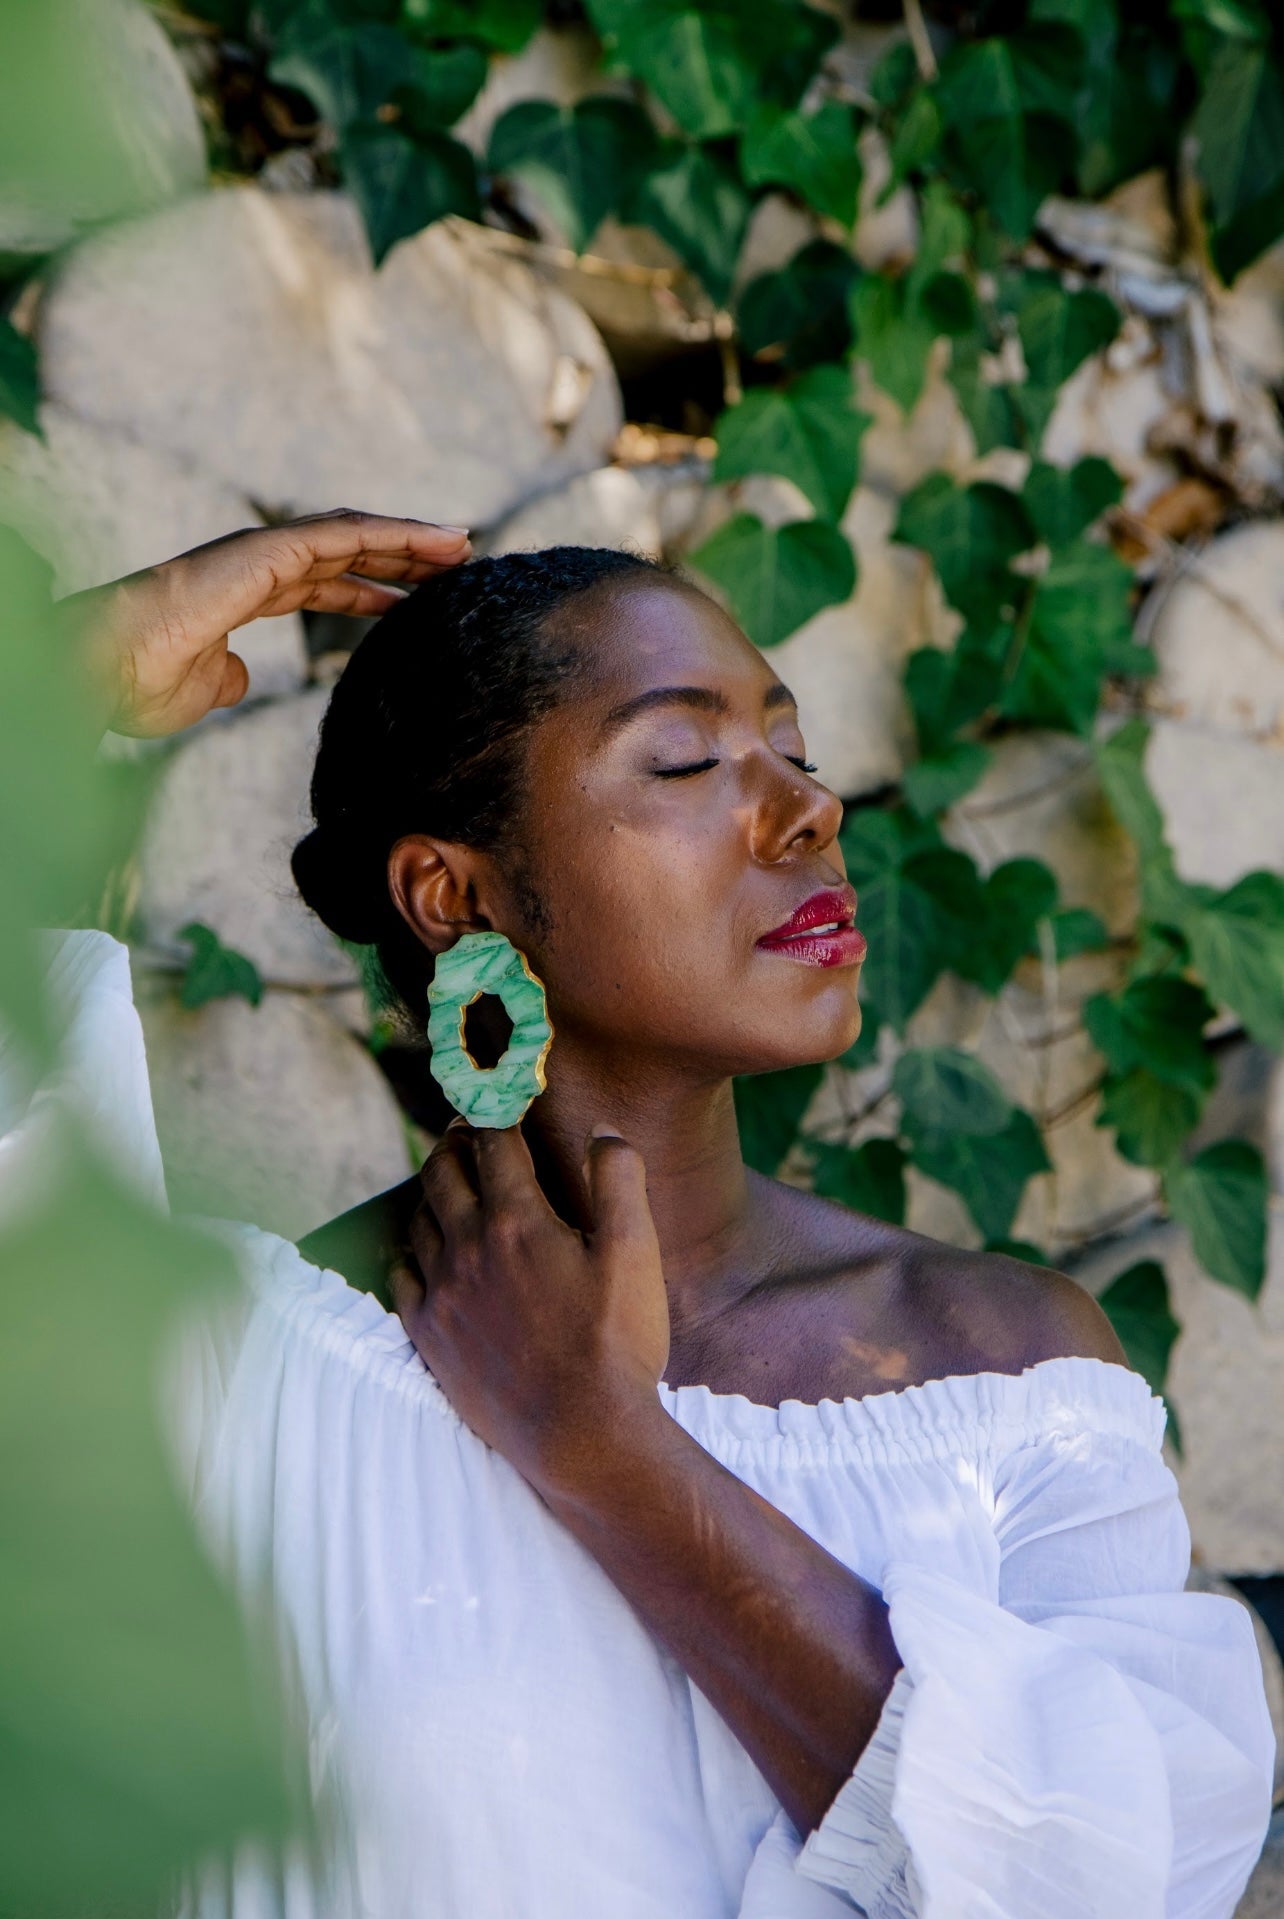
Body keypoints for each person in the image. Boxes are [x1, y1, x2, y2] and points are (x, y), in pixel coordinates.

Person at [28, 511, 1277, 1917]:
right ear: (450, 894)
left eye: (792, 749)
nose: (809, 809)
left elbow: (1111, 1881)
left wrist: (610, 1451)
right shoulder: (238, 1372)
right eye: (685, 760)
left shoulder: (1006, 1373)